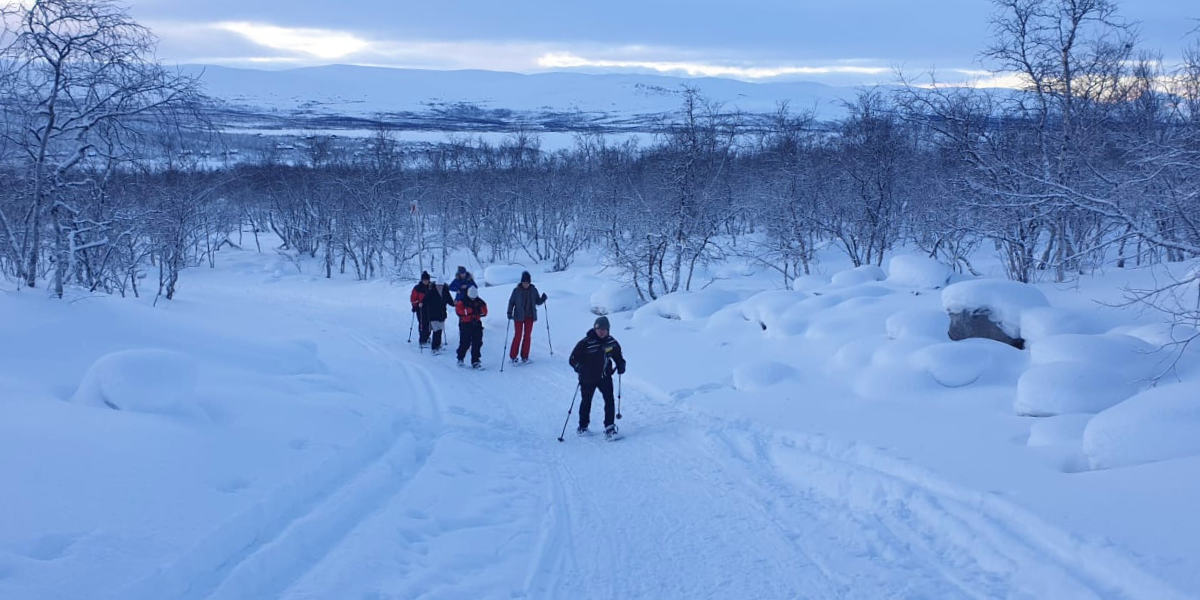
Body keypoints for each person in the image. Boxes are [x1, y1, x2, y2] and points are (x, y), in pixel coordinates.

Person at [568, 315, 626, 439]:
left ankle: (609, 428)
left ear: (608, 330)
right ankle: (583, 427)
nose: (601, 332)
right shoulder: (586, 343)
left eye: (604, 329)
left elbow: (617, 356)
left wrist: (621, 364)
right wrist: (579, 367)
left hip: (604, 376)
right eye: (599, 329)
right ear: (595, 329)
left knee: (609, 400)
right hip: (587, 378)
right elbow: (573, 359)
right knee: (586, 401)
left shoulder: (611, 342)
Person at [506, 270, 547, 364]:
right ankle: (513, 357)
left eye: (527, 283)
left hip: (530, 315)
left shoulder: (533, 290)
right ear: (521, 282)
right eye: (524, 282)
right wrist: (509, 312)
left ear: (530, 282)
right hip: (518, 316)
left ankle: (525, 356)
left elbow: (537, 301)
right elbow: (511, 302)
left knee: (527, 336)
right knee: (518, 335)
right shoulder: (516, 291)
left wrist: (543, 299)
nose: (526, 284)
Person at [455, 285, 488, 368]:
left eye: (474, 297)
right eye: (471, 297)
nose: (473, 299)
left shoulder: (480, 302)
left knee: (477, 342)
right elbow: (458, 311)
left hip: (476, 324)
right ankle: (460, 358)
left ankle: (475, 360)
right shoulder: (463, 301)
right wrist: (469, 311)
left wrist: (480, 310)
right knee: (465, 342)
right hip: (466, 324)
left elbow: (485, 312)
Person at [422, 274, 455, 354]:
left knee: (440, 330)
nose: (439, 287)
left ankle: (438, 345)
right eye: (438, 285)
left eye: (441, 285)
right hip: (433, 314)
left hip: (442, 314)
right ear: (436, 285)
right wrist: (421, 304)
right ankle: (434, 348)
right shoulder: (431, 291)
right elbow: (425, 300)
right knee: (436, 330)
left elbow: (450, 300)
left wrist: (455, 303)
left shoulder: (445, 291)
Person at [409, 271, 436, 347]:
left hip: (430, 308)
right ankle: (422, 339)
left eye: (427, 280)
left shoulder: (432, 287)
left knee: (429, 323)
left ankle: (427, 336)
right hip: (420, 308)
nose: (425, 281)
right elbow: (413, 298)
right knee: (422, 323)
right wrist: (415, 305)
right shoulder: (417, 288)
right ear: (422, 280)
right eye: (424, 280)